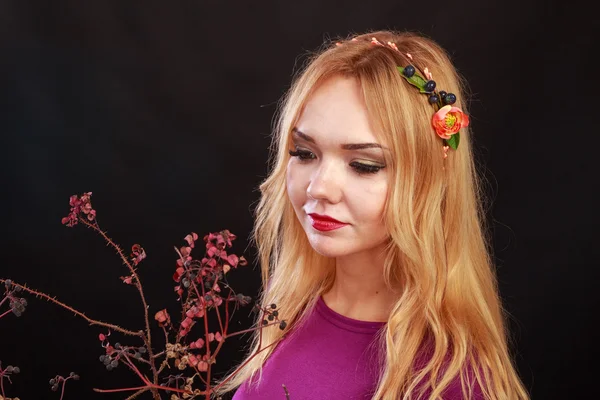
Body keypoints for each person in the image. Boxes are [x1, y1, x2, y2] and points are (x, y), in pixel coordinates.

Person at [219, 30, 529, 399]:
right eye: (304, 153)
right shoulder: (289, 305)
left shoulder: (444, 380)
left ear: (426, 181)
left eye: (364, 165)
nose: (319, 187)